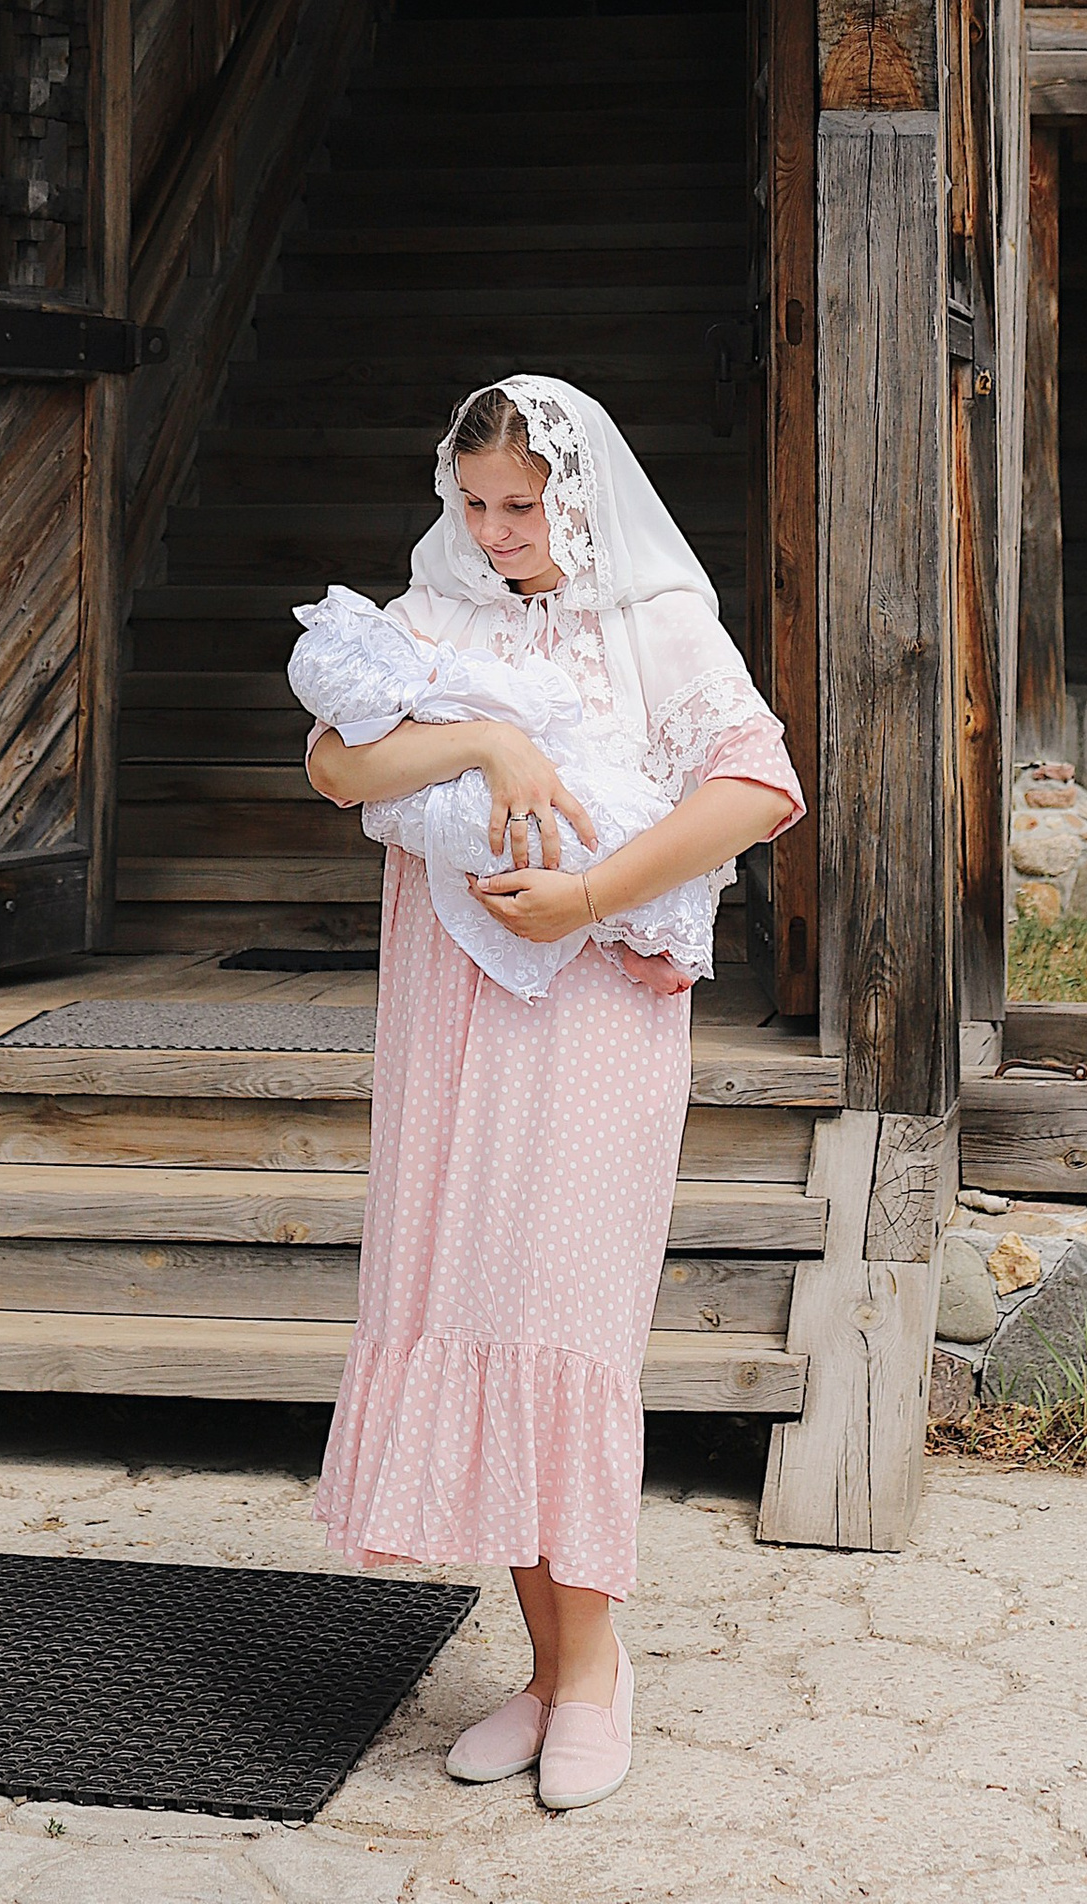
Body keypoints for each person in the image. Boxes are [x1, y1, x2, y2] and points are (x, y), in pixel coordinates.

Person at [304, 374, 802, 1813]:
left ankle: (595, 1673)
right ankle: (547, 1666)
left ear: (575, 494)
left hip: (586, 1008)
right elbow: (334, 762)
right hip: (451, 1013)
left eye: (520, 505)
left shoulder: (651, 618)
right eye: (473, 503)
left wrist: (589, 889)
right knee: (478, 1310)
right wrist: (487, 744)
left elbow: (759, 788)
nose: (495, 528)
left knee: (560, 1317)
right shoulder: (437, 609)